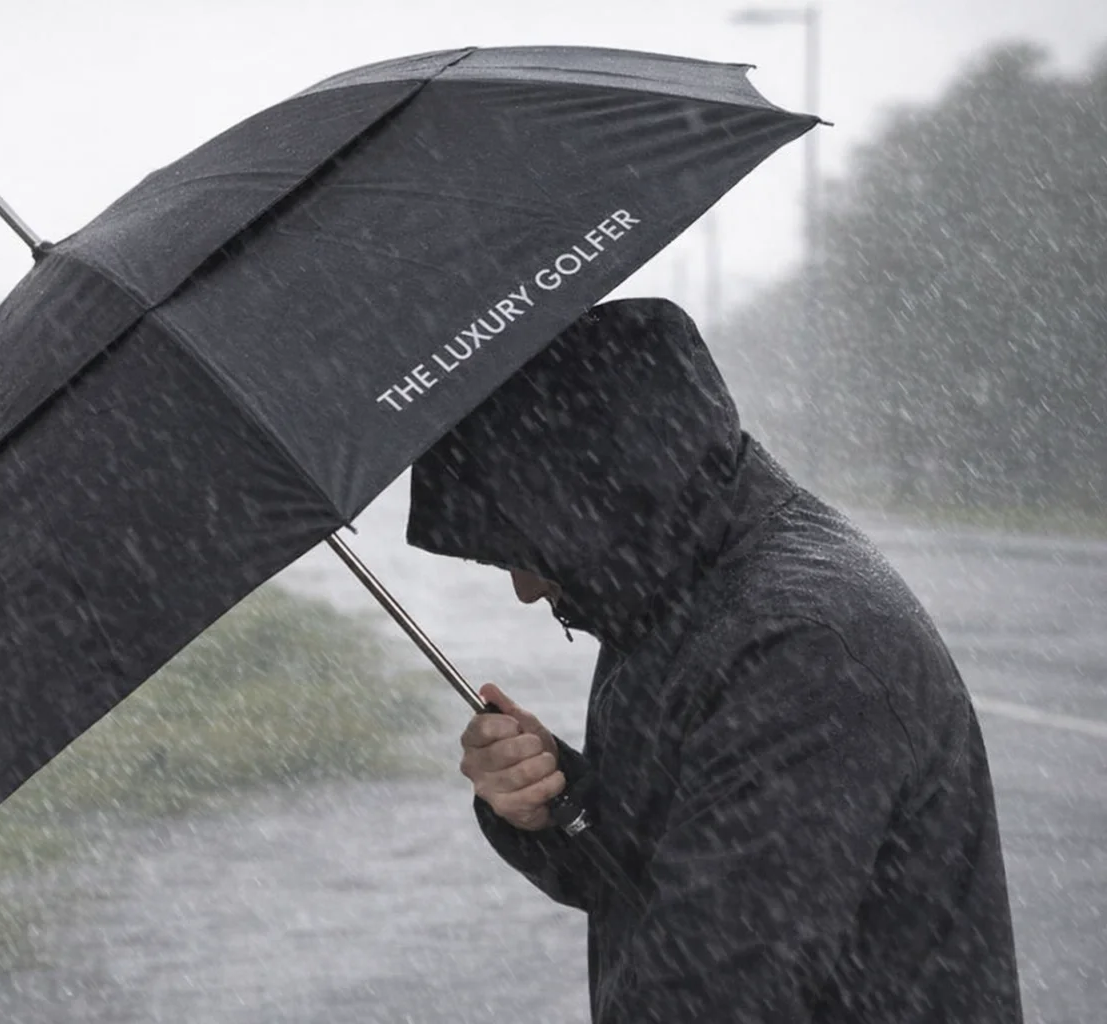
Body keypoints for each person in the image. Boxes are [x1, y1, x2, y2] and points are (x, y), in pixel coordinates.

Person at [406, 298, 1023, 1023]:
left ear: (598, 503)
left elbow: (714, 992)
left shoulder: (802, 649)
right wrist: (550, 804)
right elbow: (656, 876)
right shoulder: (675, 599)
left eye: (532, 549)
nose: (525, 588)